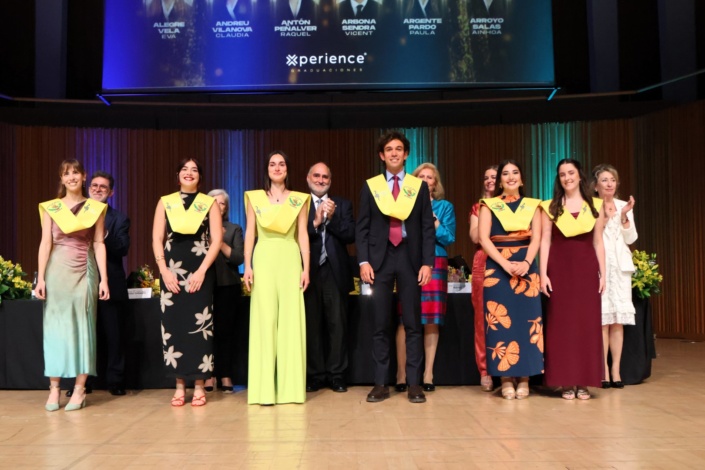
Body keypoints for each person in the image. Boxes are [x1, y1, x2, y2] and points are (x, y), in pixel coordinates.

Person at [356, 131, 435, 404]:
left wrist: (427, 262)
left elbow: (427, 227)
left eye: (398, 149)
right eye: (389, 149)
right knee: (380, 324)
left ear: (406, 154)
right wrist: (363, 261)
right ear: (382, 155)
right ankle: (380, 383)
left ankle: (414, 384)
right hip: (379, 259)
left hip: (410, 257)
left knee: (412, 323)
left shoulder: (417, 187)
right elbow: (362, 227)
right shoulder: (372, 186)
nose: (393, 153)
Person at [36, 159, 110, 412]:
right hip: (56, 272)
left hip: (84, 272)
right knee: (55, 328)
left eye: (75, 173)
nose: (71, 177)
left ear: (84, 176)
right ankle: (54, 388)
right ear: (61, 179)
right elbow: (45, 243)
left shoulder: (95, 208)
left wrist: (104, 279)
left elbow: (99, 243)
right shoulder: (51, 207)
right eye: (66, 174)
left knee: (83, 326)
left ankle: (80, 388)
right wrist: (41, 278)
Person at [152, 158, 223, 407]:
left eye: (194, 170)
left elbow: (216, 240)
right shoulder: (166, 202)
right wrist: (163, 270)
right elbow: (157, 238)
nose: (189, 173)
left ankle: (200, 385)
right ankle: (180, 385)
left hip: (199, 270)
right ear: (177, 175)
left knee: (200, 327)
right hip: (171, 271)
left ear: (200, 176)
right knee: (174, 325)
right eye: (184, 169)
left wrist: (202, 271)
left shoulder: (208, 203)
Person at [243, 151, 311, 405]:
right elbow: (250, 233)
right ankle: (264, 391)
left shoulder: (298, 199)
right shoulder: (255, 198)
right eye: (272, 164)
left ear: (287, 169)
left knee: (291, 322)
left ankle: (290, 390)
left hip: (290, 259)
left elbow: (302, 234)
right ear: (267, 169)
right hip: (263, 259)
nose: (277, 168)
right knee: (265, 320)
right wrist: (247, 266)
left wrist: (306, 268)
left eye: (282, 164)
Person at [540, 158, 606, 400]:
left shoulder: (595, 205)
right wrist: (543, 274)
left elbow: (598, 242)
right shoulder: (550, 207)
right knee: (562, 325)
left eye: (571, 173)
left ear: (580, 176)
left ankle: (584, 381)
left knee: (586, 325)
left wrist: (603, 273)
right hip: (559, 270)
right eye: (562, 174)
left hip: (586, 271)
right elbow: (545, 240)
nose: (567, 178)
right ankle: (566, 380)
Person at [478, 160, 543, 399]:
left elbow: (537, 238)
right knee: (499, 323)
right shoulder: (488, 205)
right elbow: (484, 239)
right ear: (500, 181)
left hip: (526, 267)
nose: (510, 177)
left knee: (527, 322)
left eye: (515, 172)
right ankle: (505, 378)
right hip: (497, 269)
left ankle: (525, 377)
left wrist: (526, 262)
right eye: (505, 173)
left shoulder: (533, 206)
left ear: (522, 179)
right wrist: (504, 264)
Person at [395, 163, 455, 392]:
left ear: (435, 184)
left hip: (436, 261)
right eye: (421, 176)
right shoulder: (404, 204)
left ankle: (428, 374)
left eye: (430, 177)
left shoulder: (444, 207)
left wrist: (433, 218)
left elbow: (448, 237)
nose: (425, 180)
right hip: (408, 261)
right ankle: (401, 374)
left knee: (431, 319)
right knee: (405, 318)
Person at [304, 162, 355, 393]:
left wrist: (331, 219)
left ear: (330, 181)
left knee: (338, 326)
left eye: (325, 177)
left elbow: (351, 235)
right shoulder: (299, 204)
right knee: (312, 326)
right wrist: (316, 221)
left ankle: (337, 375)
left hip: (335, 272)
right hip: (308, 272)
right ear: (308, 178)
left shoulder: (342, 204)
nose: (321, 180)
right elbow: (295, 236)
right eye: (316, 176)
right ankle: (315, 375)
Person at [591, 164, 637, 389]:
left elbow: (631, 238)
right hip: (600, 267)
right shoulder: (591, 206)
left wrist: (624, 216)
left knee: (617, 321)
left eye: (612, 180)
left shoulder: (622, 205)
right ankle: (603, 370)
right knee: (603, 320)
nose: (609, 184)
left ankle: (616, 369)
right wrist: (607, 219)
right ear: (596, 185)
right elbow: (592, 237)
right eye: (605, 180)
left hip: (620, 269)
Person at [88, 171, 130, 396]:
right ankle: (82, 383)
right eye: (94, 185)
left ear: (111, 192)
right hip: (80, 280)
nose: (97, 189)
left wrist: (103, 234)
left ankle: (115, 381)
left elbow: (122, 248)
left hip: (111, 282)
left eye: (103, 187)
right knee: (84, 334)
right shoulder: (76, 214)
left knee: (114, 335)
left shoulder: (119, 219)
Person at [205, 189, 244, 393]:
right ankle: (208, 374)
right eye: (213, 202)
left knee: (226, 332)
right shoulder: (199, 228)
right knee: (205, 332)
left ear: (226, 207)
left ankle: (225, 374)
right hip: (204, 284)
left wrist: (219, 241)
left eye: (221, 203)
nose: (217, 206)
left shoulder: (233, 228)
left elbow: (238, 258)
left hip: (228, 285)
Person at [468, 165, 497, 392]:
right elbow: (475, 236)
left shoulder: (517, 207)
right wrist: (488, 212)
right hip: (483, 262)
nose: (489, 180)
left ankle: (511, 368)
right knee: (482, 319)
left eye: (494, 177)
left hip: (508, 260)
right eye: (486, 177)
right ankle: (485, 370)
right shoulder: (478, 207)